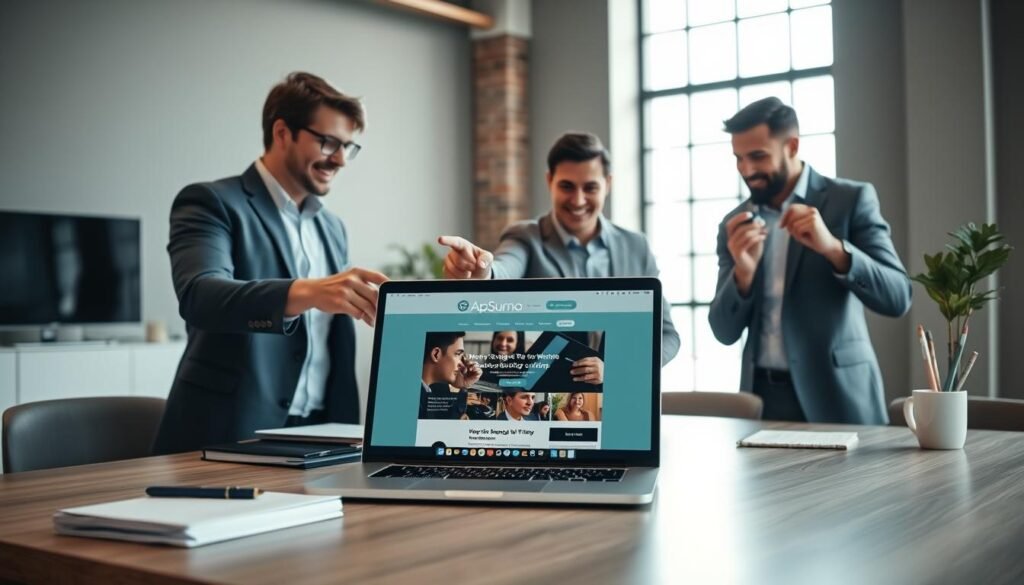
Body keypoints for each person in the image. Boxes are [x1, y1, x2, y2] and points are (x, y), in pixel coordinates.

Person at [153, 72, 388, 454]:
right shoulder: (211, 202)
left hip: (325, 432)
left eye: (349, 146)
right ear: (282, 133)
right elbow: (201, 295)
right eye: (329, 142)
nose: (341, 159)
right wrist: (307, 291)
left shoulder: (332, 227)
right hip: (229, 433)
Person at [708, 97, 912, 424]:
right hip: (761, 401)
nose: (746, 170)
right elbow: (723, 331)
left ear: (791, 145)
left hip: (839, 397)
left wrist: (834, 248)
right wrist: (743, 275)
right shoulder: (734, 224)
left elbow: (898, 297)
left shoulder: (850, 200)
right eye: (738, 158)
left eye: (758, 156)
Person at [437, 132, 680, 367]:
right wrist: (484, 271)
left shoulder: (636, 247)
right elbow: (505, 267)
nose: (578, 200)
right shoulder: (525, 237)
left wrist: (620, 368)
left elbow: (667, 335)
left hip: (624, 395)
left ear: (608, 184)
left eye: (590, 188)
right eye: (567, 186)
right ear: (549, 181)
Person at [420, 332, 482, 419]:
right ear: (436, 354)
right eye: (457, 354)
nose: (462, 365)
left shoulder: (427, 391)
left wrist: (462, 385)